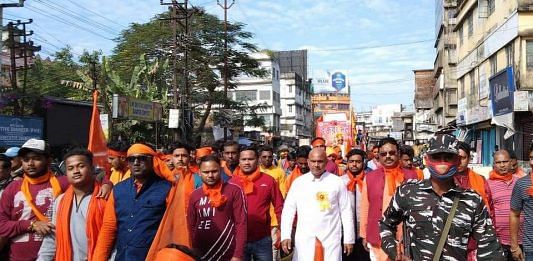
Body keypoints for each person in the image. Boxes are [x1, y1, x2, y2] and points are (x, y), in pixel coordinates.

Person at [379, 134, 504, 260]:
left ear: (457, 160)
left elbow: (490, 248)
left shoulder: (472, 200)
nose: (442, 163)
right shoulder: (408, 192)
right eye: (436, 157)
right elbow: (385, 224)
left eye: (448, 157)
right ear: (427, 159)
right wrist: (396, 253)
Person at [0, 139, 111, 261]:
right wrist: (31, 225)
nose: (30, 163)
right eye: (26, 160)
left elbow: (89, 180)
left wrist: (106, 184)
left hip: (58, 255)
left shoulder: (63, 183)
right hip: (18, 257)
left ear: (49, 160)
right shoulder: (13, 188)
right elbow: (2, 225)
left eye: (36, 158)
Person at [94, 143, 173, 260]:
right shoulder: (118, 189)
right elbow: (108, 228)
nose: (136, 162)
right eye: (131, 159)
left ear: (153, 161)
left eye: (142, 158)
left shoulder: (167, 189)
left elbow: (172, 230)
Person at [281, 148, 354, 260]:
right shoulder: (299, 183)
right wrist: (286, 235)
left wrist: (349, 238)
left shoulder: (336, 182)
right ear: (308, 162)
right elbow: (288, 211)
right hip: (305, 238)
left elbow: (346, 211)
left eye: (320, 161)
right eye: (313, 161)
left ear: (326, 162)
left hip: (330, 238)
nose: (316, 165)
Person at [37, 148, 107, 261]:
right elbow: (53, 236)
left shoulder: (104, 198)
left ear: (92, 168)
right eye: (70, 168)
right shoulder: (60, 201)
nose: (76, 171)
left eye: (81, 166)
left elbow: (113, 237)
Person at [359, 137, 419, 260]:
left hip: (405, 237)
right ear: (379, 156)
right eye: (383, 154)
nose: (388, 156)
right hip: (377, 236)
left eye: (392, 153)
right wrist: (364, 235)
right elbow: (365, 207)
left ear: (398, 154)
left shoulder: (412, 176)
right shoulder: (370, 177)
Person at [229, 146, 284, 261]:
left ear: (258, 160)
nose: (247, 162)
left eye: (250, 159)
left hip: (263, 239)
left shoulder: (268, 181)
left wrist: (282, 230)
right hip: (238, 240)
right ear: (239, 161)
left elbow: (279, 206)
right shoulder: (231, 183)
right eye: (243, 159)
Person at [187, 155, 247, 261]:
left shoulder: (234, 191)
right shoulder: (194, 195)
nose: (210, 175)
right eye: (206, 172)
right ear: (199, 173)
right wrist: (192, 250)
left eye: (214, 171)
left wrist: (237, 254)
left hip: (227, 251)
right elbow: (191, 225)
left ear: (220, 171)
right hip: (201, 253)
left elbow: (241, 223)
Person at [454, 141, 494, 260]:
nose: (459, 162)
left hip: (476, 240)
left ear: (469, 158)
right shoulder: (443, 181)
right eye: (456, 158)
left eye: (463, 158)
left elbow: (490, 208)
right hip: (451, 240)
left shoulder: (480, 180)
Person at [487, 149, 525, 260]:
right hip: (498, 242)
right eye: (498, 162)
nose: (502, 165)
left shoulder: (520, 182)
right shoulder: (487, 184)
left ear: (510, 162)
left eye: (505, 161)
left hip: (520, 241)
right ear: (494, 164)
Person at [341, 149, 370, 261]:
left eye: (358, 161)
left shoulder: (369, 180)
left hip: (363, 231)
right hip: (345, 231)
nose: (354, 164)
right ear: (347, 163)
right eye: (351, 161)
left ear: (363, 163)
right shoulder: (340, 182)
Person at [259, 145, 287, 260]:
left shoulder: (279, 172)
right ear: (259, 158)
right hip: (259, 216)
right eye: (264, 157)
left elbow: (282, 194)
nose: (267, 159)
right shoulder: (255, 171)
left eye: (269, 157)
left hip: (274, 217)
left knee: (274, 246)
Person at [510, 144, 533, 261]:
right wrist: (514, 246)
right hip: (531, 249)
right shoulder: (521, 184)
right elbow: (514, 214)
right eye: (531, 158)